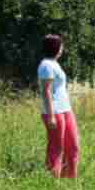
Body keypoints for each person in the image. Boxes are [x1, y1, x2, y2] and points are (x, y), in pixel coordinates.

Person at [38, 34, 79, 179]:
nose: (63, 48)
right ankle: (53, 182)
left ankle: (70, 180)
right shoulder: (46, 65)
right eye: (61, 45)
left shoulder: (54, 63)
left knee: (73, 145)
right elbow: (46, 91)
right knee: (57, 148)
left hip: (65, 109)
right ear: (55, 47)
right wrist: (50, 116)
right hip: (54, 112)